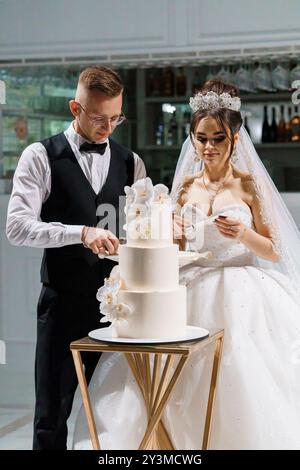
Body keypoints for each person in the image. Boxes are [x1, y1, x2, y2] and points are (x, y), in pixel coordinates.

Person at [72, 79, 300, 450]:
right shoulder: (185, 187)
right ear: (192, 138)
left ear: (235, 138)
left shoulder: (248, 187)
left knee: (238, 375)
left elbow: (275, 250)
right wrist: (172, 228)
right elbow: (175, 247)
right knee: (170, 377)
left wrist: (242, 233)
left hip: (243, 291)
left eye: (217, 139)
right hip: (189, 287)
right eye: (201, 138)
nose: (208, 147)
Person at [6, 65, 146, 450]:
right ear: (75, 108)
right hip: (62, 306)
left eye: (116, 118)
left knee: (117, 416)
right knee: (51, 418)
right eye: (99, 118)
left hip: (118, 311)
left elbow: (137, 229)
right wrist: (80, 233)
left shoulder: (130, 162)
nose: (108, 127)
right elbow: (17, 227)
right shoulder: (40, 156)